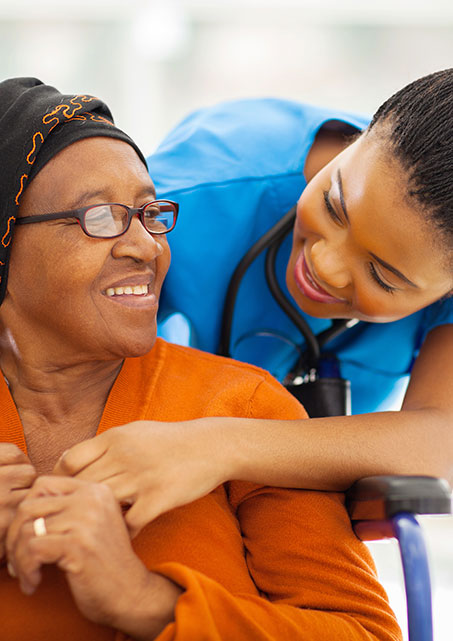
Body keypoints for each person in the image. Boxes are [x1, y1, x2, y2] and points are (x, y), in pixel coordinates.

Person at [0, 77, 400, 641]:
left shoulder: (244, 407)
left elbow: (364, 634)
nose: (147, 246)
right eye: (98, 218)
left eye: (149, 212)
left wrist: (144, 602)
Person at [54, 69, 453, 532]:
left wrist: (220, 446)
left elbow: (440, 436)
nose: (324, 265)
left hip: (274, 508)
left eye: (382, 276)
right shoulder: (203, 188)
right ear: (356, 139)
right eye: (334, 204)